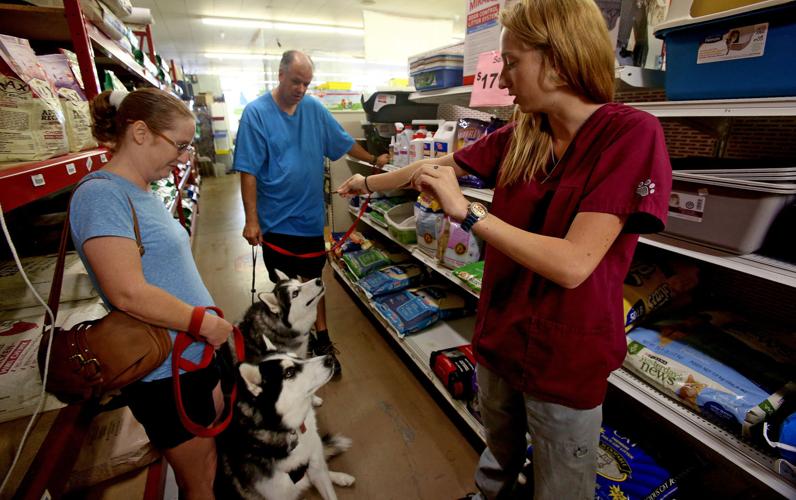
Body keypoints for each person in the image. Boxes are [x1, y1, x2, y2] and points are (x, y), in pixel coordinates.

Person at [337, 1, 671, 498]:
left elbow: (573, 264)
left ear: (556, 60)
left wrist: (471, 214)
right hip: (500, 338)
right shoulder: (523, 136)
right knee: (498, 454)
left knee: (561, 484)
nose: (504, 76)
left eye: (511, 62)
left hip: (566, 356)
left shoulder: (630, 135)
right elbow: (436, 167)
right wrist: (366, 182)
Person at [71, 88, 233, 500]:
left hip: (191, 358)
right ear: (140, 132)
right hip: (165, 373)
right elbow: (127, 292)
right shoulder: (101, 195)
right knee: (200, 479)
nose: (183, 157)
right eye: (178, 145)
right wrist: (203, 323)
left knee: (210, 464)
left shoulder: (140, 190)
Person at [232, 50, 388, 376]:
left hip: (309, 218)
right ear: (280, 74)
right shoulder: (256, 114)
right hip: (275, 222)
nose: (301, 89)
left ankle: (322, 338)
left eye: (306, 83)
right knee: (288, 290)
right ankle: (294, 346)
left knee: (314, 284)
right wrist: (251, 219)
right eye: (295, 81)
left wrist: (375, 162)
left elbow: (343, 142)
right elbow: (247, 170)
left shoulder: (314, 110)